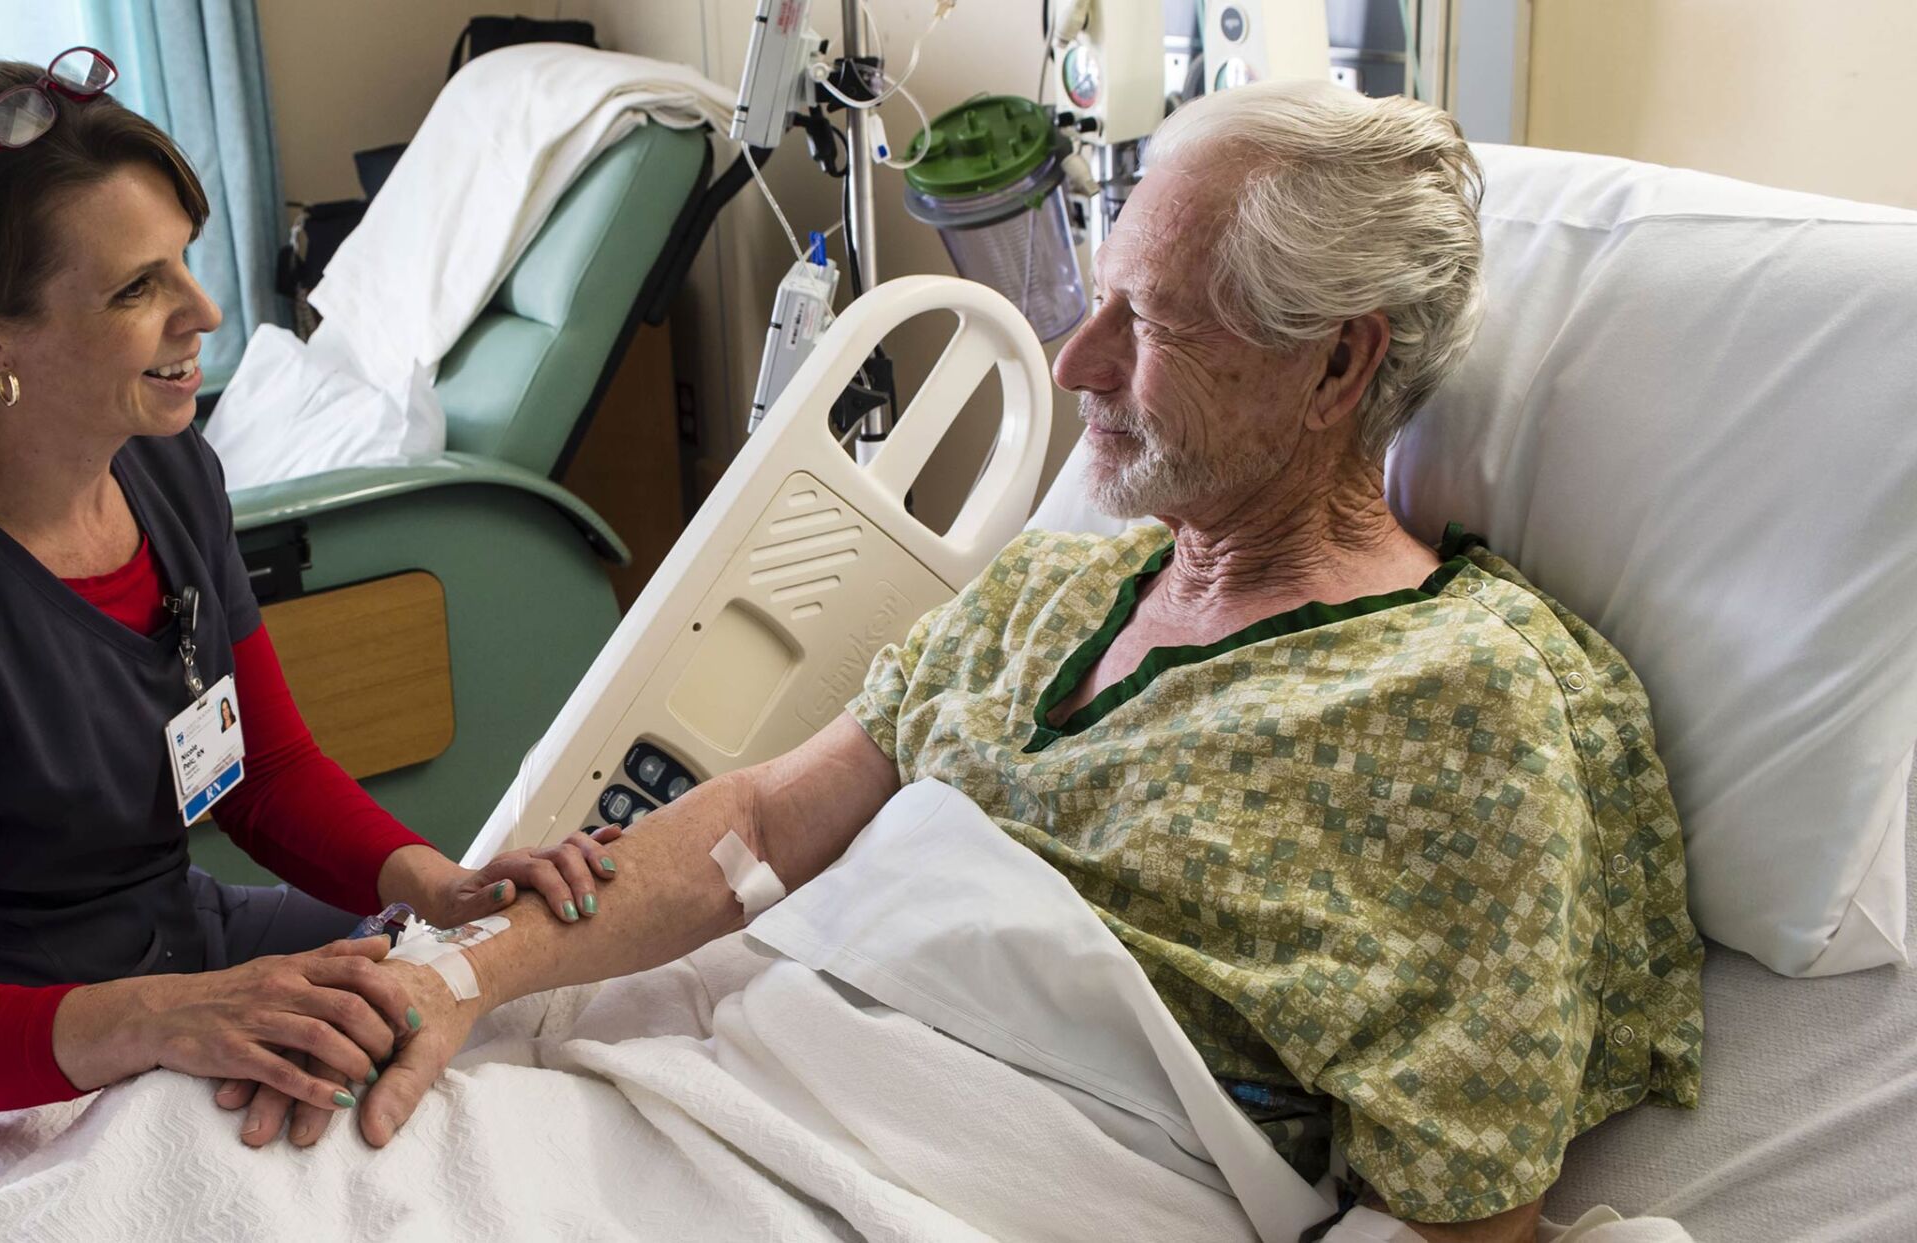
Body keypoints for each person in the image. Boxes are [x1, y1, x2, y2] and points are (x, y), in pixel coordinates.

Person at [346, 81, 1704, 1243]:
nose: (1074, 360)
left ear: (1337, 362)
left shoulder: (1461, 704)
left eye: (1152, 324)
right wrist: (454, 977)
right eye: (1098, 300)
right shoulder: (1056, 587)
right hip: (723, 1089)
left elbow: (1465, 1205)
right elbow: (760, 821)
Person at [0, 53, 616, 1154]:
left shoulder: (163, 467)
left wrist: (442, 890)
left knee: (508, 994)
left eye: (184, 263)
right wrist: (170, 1021)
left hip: (174, 944)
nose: (203, 311)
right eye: (135, 288)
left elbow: (261, 767)